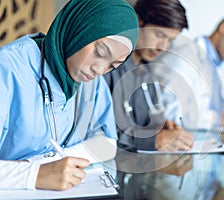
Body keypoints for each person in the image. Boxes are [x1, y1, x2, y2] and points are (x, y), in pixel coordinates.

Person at [0, 0, 138, 190]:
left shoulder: (91, 81)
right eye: (99, 52)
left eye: (112, 66)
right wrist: (35, 174)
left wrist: (55, 161)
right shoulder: (7, 69)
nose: (99, 69)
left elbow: (107, 144)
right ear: (81, 27)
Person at [104, 0, 194, 152]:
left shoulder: (147, 72)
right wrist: (155, 140)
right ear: (138, 21)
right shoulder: (108, 67)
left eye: (170, 40)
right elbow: (103, 132)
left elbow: (146, 120)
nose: (162, 47)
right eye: (159, 35)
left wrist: (160, 127)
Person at [152, 14, 224, 130]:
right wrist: (222, 120)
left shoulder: (217, 65)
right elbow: (172, 113)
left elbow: (223, 104)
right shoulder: (185, 54)